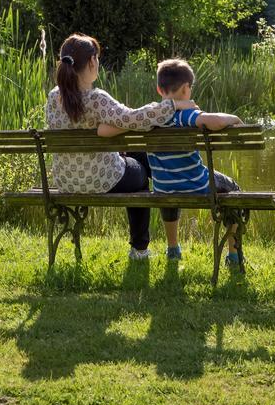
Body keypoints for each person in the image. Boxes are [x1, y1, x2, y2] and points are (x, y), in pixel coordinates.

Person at [45, 34, 197, 260]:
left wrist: (112, 127)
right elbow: (133, 118)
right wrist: (173, 105)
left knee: (136, 157)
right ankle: (141, 249)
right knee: (141, 175)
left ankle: (158, 243)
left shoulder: (53, 97)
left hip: (66, 180)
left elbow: (121, 121)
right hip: (100, 179)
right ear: (92, 62)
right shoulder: (96, 99)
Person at [98, 58, 243, 264]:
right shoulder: (184, 115)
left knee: (169, 189)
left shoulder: (150, 118)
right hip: (197, 184)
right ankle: (234, 255)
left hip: (164, 188)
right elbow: (216, 121)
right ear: (186, 89)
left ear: (159, 89)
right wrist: (234, 118)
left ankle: (173, 249)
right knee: (234, 189)